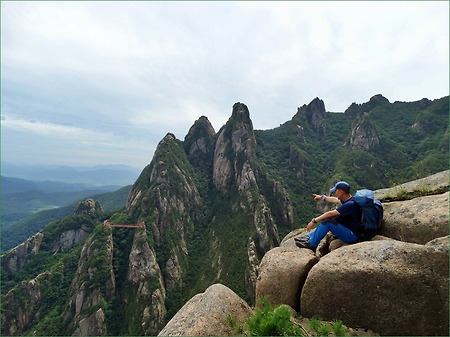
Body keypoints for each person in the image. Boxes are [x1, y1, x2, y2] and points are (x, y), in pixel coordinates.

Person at [295, 181, 362, 252]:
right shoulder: (351, 199)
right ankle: (309, 237)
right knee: (333, 218)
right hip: (350, 229)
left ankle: (312, 244)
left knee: (327, 222)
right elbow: (335, 200)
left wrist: (314, 221)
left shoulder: (350, 205)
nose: (335, 193)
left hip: (352, 236)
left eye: (336, 191)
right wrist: (322, 197)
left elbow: (330, 213)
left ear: (341, 192)